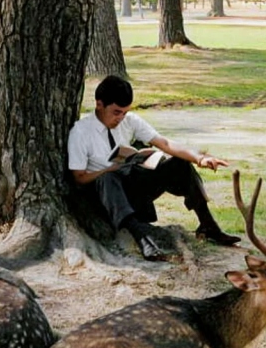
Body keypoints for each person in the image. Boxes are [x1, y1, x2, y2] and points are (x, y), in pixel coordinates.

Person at [68, 75, 241, 261]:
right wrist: (108, 170)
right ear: (99, 104)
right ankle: (142, 237)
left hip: (134, 186)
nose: (120, 118)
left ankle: (208, 225)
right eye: (116, 112)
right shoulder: (81, 132)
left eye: (124, 113)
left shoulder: (129, 121)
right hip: (107, 197)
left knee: (179, 163)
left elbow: (164, 143)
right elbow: (79, 178)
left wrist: (199, 158)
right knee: (107, 179)